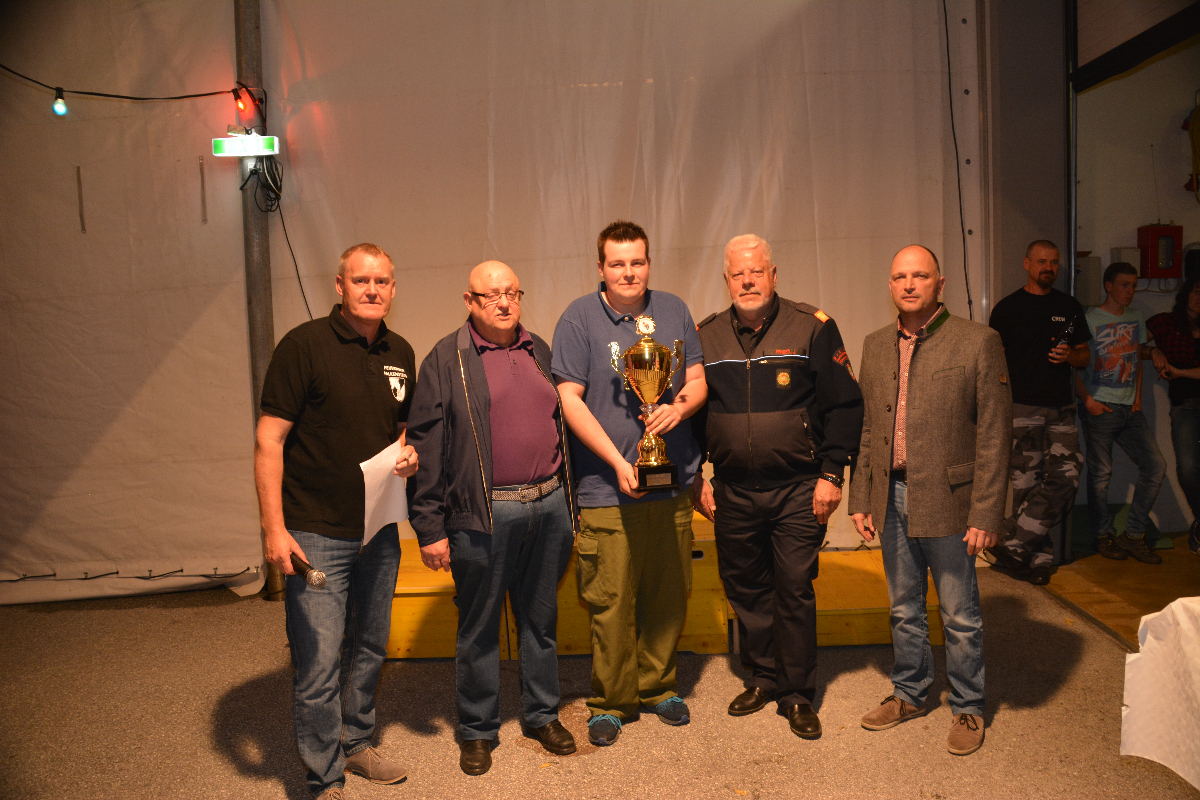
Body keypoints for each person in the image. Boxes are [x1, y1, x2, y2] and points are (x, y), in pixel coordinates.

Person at [255, 243, 418, 800]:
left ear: (393, 289)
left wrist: (409, 453)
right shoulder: (303, 347)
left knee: (369, 647)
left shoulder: (401, 352)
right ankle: (323, 775)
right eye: (361, 280)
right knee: (319, 660)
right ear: (340, 285)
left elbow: (400, 428)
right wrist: (274, 530)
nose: (372, 289)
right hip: (315, 533)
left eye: (382, 281)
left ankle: (358, 743)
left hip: (379, 529)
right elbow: (269, 441)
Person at [406, 261, 578, 776]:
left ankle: (542, 714)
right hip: (483, 514)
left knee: (540, 620)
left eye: (512, 293)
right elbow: (426, 448)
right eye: (491, 295)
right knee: (479, 626)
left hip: (549, 506)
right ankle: (478, 729)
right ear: (469, 300)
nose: (503, 303)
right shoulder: (446, 359)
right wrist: (430, 528)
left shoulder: (539, 349)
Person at [690, 234, 863, 739]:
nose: (748, 281)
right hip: (732, 490)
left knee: (793, 587)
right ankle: (764, 677)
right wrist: (694, 477)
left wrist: (832, 474)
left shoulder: (812, 327)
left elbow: (844, 406)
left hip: (798, 489)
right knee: (746, 588)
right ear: (726, 280)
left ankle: (797, 693)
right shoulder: (705, 337)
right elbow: (691, 417)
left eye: (757, 271)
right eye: (738, 274)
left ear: (773, 275)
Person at [849, 244, 1011, 757]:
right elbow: (868, 428)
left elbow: (994, 433)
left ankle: (968, 704)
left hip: (950, 499)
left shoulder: (978, 341)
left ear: (939, 284)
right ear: (890, 285)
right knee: (904, 607)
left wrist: (986, 511)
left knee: (960, 613)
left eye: (920, 276)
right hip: (891, 494)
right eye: (900, 277)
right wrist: (861, 496)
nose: (909, 284)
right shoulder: (876, 345)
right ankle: (910, 692)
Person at [551, 220, 707, 747]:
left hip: (671, 483)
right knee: (611, 600)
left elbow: (697, 380)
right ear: (601, 268)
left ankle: (658, 686)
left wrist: (677, 409)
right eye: (617, 263)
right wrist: (618, 462)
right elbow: (569, 399)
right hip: (605, 488)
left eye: (637, 262)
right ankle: (612, 702)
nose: (628, 272)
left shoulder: (674, 310)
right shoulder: (578, 317)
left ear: (648, 263)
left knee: (668, 592)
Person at [986, 240, 1091, 585]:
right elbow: (993, 362)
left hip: (1061, 407)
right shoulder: (1007, 308)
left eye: (1054, 262)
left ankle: (1011, 544)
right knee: (1026, 485)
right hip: (1020, 407)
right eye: (1042, 261)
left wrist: (1071, 357)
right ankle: (1039, 559)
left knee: (1066, 477)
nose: (1049, 267)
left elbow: (1084, 356)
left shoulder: (1069, 306)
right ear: (1027, 264)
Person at [1075, 262, 1167, 564]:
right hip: (1100, 404)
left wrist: (1137, 398)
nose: (1130, 291)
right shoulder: (1090, 319)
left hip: (1130, 407)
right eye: (1124, 285)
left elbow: (1137, 359)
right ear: (1109, 286)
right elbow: (1073, 363)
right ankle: (1102, 535)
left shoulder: (1135, 317)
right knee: (1101, 474)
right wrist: (1087, 400)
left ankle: (1134, 534)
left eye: (1133, 285)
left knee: (1155, 465)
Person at [1146, 275, 1200, 555]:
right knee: (1188, 471)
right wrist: (1155, 350)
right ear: (1185, 293)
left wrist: (1180, 372)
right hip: (1185, 405)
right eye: (1197, 291)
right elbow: (1133, 342)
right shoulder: (1166, 323)